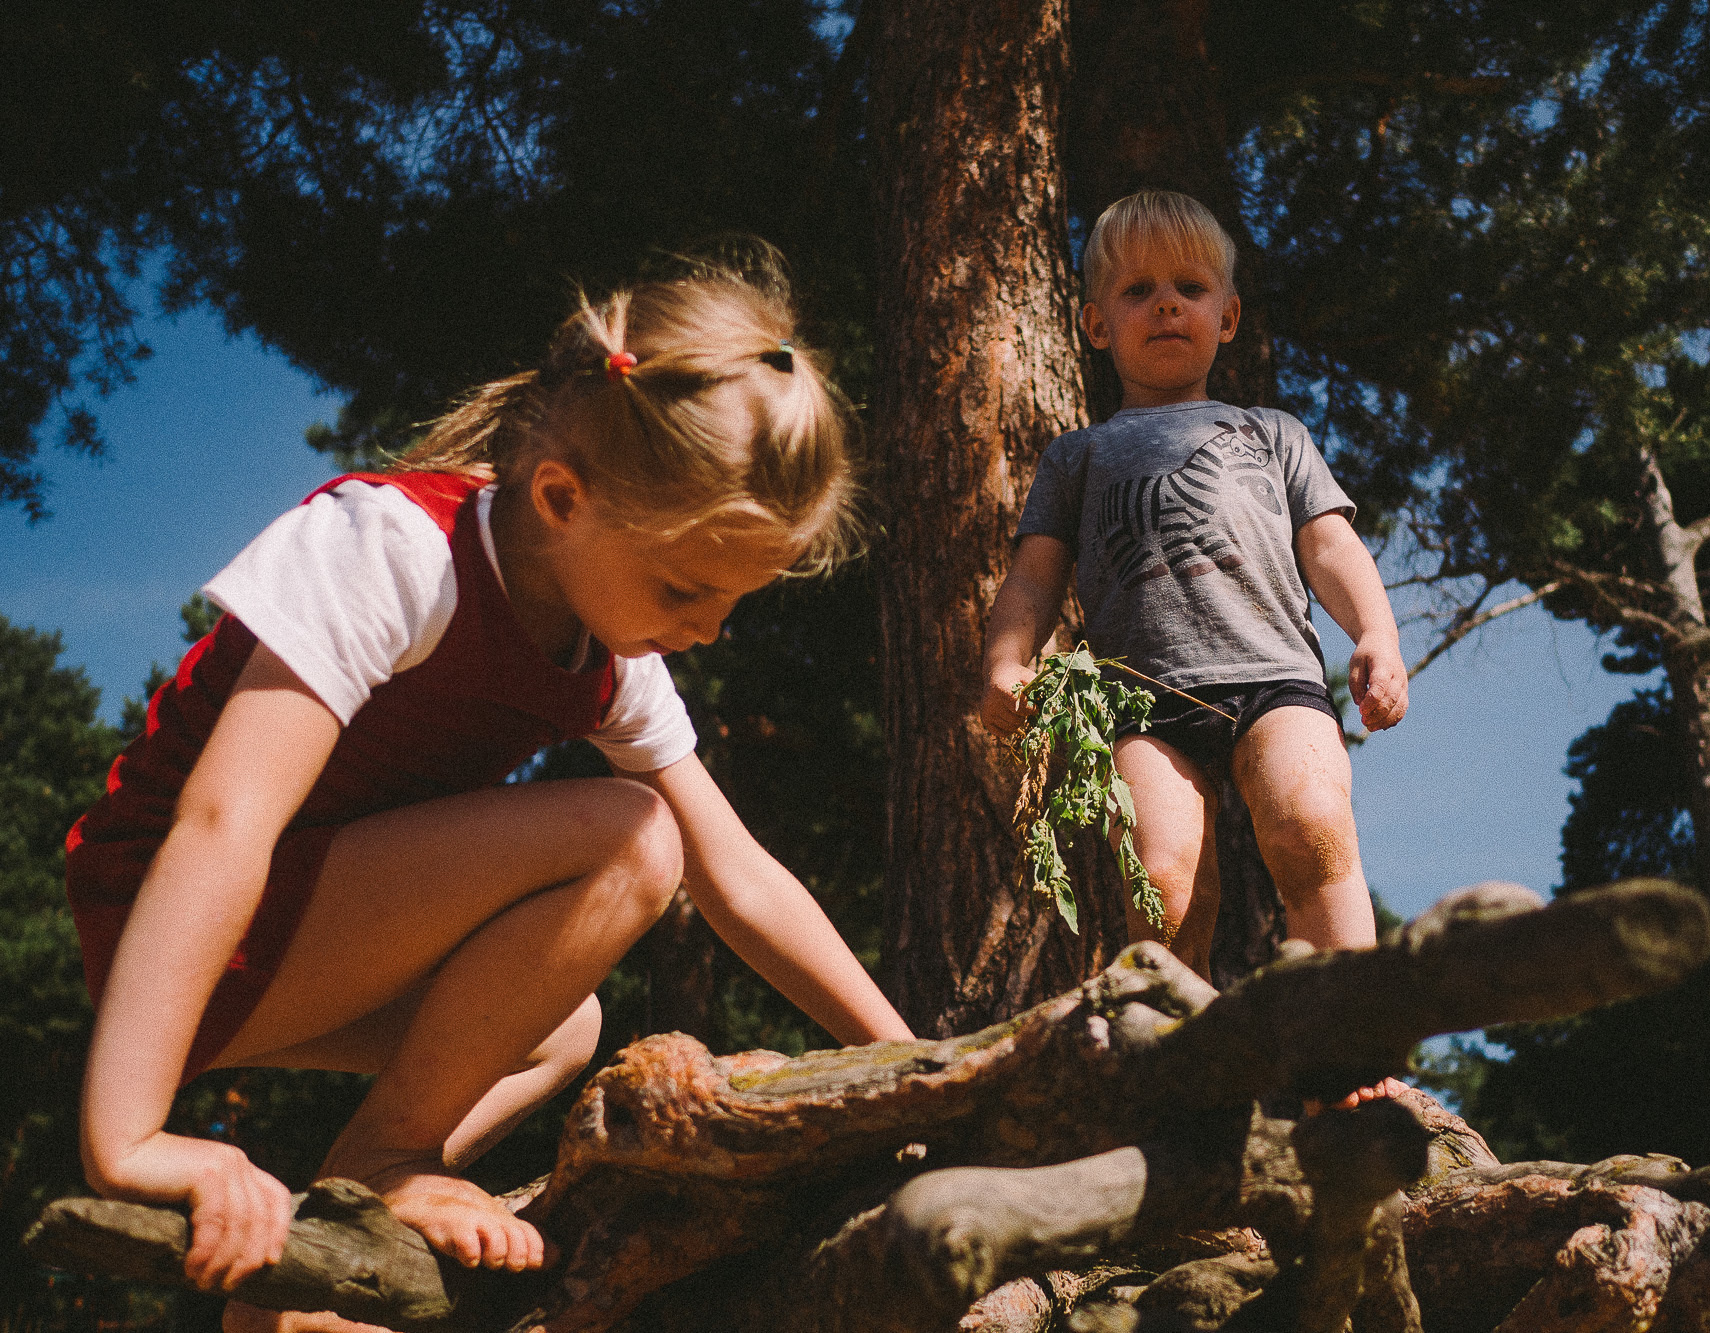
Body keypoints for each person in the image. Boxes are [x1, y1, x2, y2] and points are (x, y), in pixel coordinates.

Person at [64, 256, 915, 1324]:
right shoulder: (393, 552)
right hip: (168, 921)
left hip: (291, 942)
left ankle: (323, 1258)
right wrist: (129, 1137)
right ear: (563, 496)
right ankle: (391, 1158)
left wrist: (916, 1071)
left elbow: (740, 876)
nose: (707, 628)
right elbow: (223, 819)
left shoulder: (605, 654)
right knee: (630, 836)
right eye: (685, 587)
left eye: (730, 602)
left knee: (562, 1021)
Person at [982, 190, 1411, 992]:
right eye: (1138, 290)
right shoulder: (1078, 455)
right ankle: (1184, 1077)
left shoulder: (1275, 432)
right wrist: (1006, 663)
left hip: (1274, 679)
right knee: (1165, 878)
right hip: (1139, 702)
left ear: (1229, 316)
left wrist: (1376, 632)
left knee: (1311, 825)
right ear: (1097, 325)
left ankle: (1351, 1051)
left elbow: (1329, 544)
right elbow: (1034, 574)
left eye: (1190, 287)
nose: (1167, 303)